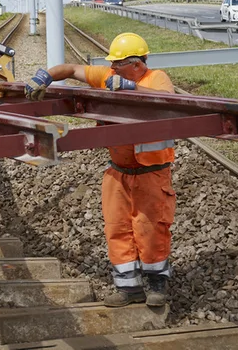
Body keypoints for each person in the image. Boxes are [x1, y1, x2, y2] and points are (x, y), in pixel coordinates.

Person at [24, 32, 175, 309]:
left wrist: (131, 88)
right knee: (117, 228)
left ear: (137, 65)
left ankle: (157, 285)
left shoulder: (156, 78)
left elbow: (168, 99)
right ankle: (128, 287)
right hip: (118, 172)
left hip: (151, 173)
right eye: (112, 64)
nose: (112, 68)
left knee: (151, 227)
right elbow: (70, 69)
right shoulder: (109, 75)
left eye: (117, 64)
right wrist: (45, 75)